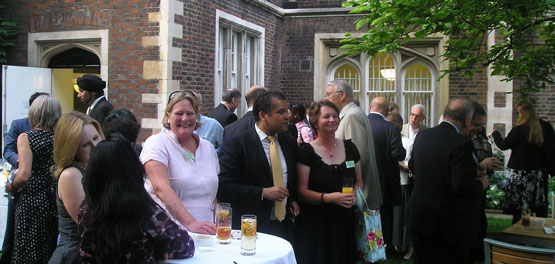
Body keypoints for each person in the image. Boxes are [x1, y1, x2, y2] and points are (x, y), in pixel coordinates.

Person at [79, 135, 195, 263]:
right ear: (133, 169)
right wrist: (160, 249)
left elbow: (86, 253)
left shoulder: (86, 210)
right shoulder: (145, 211)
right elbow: (186, 246)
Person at [407, 99, 488, 264]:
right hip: (449, 223)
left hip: (421, 215)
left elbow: (412, 166)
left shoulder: (423, 135)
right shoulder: (461, 143)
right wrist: (481, 184)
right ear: (466, 120)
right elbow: (461, 185)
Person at [217, 91, 300, 240]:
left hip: (284, 226)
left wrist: (292, 199)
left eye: (287, 111)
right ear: (263, 116)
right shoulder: (237, 144)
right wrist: (262, 192)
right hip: (252, 228)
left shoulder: (290, 143)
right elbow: (224, 187)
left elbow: (289, 178)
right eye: (280, 112)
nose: (287, 116)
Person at [140, 91, 218, 234]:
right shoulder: (157, 144)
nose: (184, 118)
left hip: (207, 233)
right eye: (178, 113)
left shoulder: (208, 147)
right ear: (168, 116)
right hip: (170, 233)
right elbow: (161, 189)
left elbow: (212, 196)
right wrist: (191, 223)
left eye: (190, 113)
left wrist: (219, 224)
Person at [295, 100, 362, 264]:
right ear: (315, 121)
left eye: (335, 116)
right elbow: (301, 191)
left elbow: (359, 182)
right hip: (315, 222)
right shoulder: (306, 152)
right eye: (326, 117)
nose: (332, 120)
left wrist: (353, 194)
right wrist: (329, 198)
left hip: (344, 220)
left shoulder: (350, 148)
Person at [5, 95, 62, 264]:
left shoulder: (26, 138)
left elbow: (24, 175)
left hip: (31, 200)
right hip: (55, 198)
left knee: (27, 249)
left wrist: (11, 186)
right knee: (50, 247)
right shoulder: (61, 139)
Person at [49, 112, 104, 264]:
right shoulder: (71, 175)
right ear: (71, 149)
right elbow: (90, 225)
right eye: (85, 144)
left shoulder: (93, 169)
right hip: (75, 256)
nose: (95, 147)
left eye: (95, 138)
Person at [0, 91, 48, 264]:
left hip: (37, 188)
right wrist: (21, 160)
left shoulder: (56, 130)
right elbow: (7, 150)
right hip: (23, 186)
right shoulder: (20, 126)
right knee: (13, 233)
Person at [325, 80, 381, 209]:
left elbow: (358, 156)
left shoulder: (351, 116)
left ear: (342, 95)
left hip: (357, 195)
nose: (326, 99)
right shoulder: (350, 114)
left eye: (328, 94)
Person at [491, 102, 548, 223]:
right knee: (532, 203)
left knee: (517, 205)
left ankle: (516, 228)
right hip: (535, 172)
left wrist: (495, 134)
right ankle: (533, 229)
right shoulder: (540, 130)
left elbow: (503, 145)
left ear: (522, 114)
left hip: (519, 172)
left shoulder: (519, 130)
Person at [367, 97, 406, 253]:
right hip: (385, 182)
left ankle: (367, 245)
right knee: (384, 217)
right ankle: (384, 245)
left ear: (371, 107)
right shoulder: (391, 128)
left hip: (363, 179)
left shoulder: (361, 123)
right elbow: (398, 153)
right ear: (385, 110)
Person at [468, 101, 502, 261]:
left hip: (481, 187)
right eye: (477, 124)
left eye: (482, 124)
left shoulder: (481, 139)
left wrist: (489, 167)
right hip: (469, 190)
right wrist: (481, 166)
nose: (480, 128)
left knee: (480, 223)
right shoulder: (461, 141)